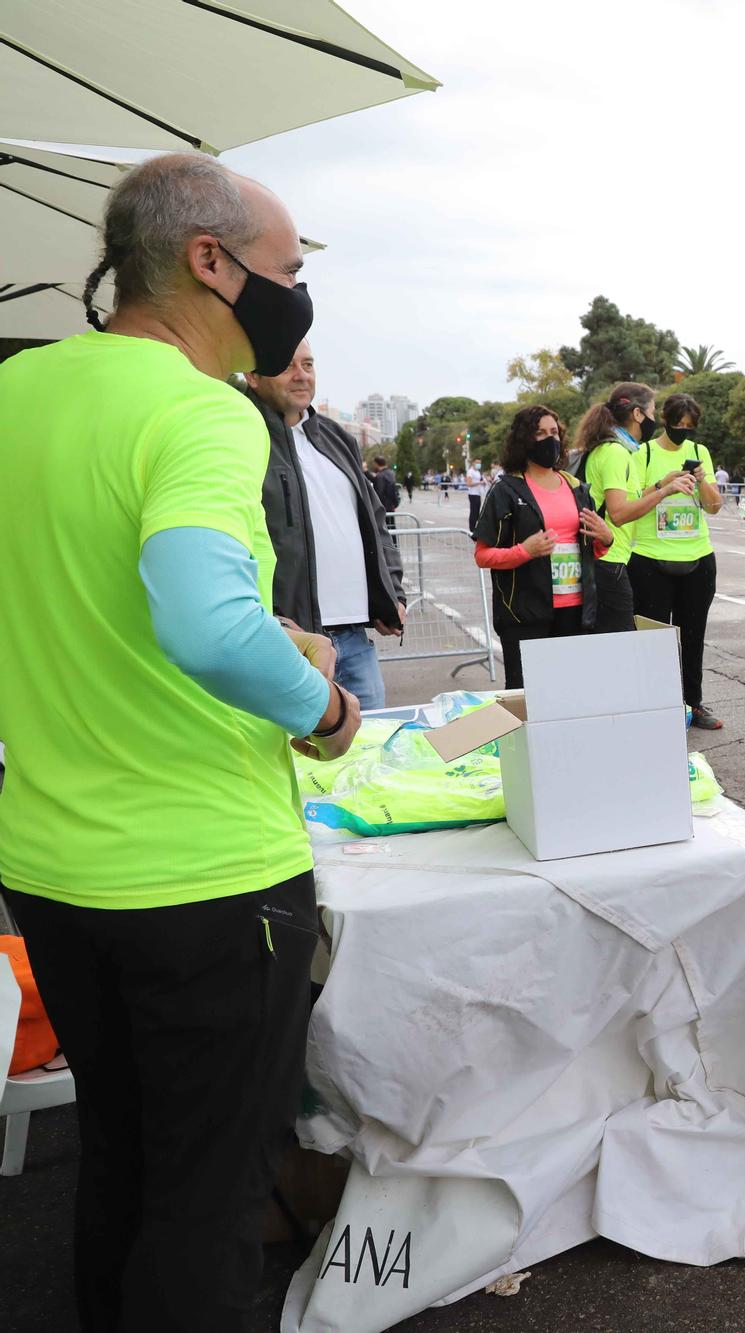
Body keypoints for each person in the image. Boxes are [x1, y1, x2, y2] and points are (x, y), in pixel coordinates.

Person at [0, 151, 362, 1332]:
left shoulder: (22, 392)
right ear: (210, 261)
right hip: (204, 879)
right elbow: (206, 623)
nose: (297, 295)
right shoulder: (201, 408)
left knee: (121, 1163)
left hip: (51, 867)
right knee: (206, 1204)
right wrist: (324, 705)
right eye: (288, 270)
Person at [244, 340, 407, 711]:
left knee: (370, 755)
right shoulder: (241, 436)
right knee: (302, 759)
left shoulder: (337, 437)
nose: (301, 375)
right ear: (253, 376)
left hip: (354, 640)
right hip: (290, 644)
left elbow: (375, 521)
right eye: (287, 365)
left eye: (309, 364)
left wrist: (392, 592)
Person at [474, 406, 615, 688]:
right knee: (528, 697)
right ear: (524, 440)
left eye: (554, 433)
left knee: (572, 692)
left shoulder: (576, 487)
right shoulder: (507, 490)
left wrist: (606, 538)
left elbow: (593, 550)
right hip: (526, 615)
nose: (550, 440)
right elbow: (482, 555)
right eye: (540, 433)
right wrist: (525, 551)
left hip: (576, 613)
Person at [627, 391, 725, 728]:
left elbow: (714, 506)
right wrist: (663, 483)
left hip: (696, 558)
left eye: (690, 427)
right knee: (655, 639)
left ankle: (692, 704)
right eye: (679, 425)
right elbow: (629, 501)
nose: (684, 431)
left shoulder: (700, 452)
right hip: (650, 559)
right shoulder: (644, 453)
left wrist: (701, 481)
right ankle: (655, 706)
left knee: (693, 635)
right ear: (665, 421)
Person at [572, 381, 660, 634]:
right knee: (618, 643)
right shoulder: (616, 453)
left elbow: (625, 499)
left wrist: (661, 485)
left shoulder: (608, 449)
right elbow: (619, 513)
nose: (653, 420)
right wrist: (665, 492)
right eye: (652, 413)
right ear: (637, 414)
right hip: (607, 563)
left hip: (605, 560)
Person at [465, 459, 488, 533]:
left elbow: (481, 481)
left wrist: (483, 483)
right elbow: (469, 484)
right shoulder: (470, 472)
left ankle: (476, 528)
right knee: (473, 512)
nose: (479, 464)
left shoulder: (478, 472)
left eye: (480, 463)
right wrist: (479, 482)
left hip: (478, 494)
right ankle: (471, 529)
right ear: (473, 463)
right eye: (477, 463)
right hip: (472, 494)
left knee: (477, 512)